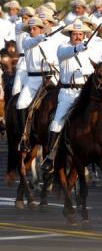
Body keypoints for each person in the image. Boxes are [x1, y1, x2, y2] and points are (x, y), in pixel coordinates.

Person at [40, 19, 102, 173]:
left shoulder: (91, 48)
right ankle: (51, 157)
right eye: (75, 34)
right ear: (70, 35)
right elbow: (67, 53)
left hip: (89, 92)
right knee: (57, 122)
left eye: (81, 34)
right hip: (69, 92)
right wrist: (80, 47)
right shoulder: (63, 48)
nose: (78, 36)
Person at [17, 17, 59, 152]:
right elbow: (32, 42)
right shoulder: (27, 40)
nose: (31, 30)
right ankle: (25, 137)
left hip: (52, 76)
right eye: (30, 28)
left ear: (41, 28)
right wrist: (41, 37)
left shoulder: (53, 41)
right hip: (33, 80)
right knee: (21, 104)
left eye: (34, 28)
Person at [12, 7, 35, 96]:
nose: (25, 20)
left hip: (35, 63)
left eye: (28, 17)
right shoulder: (18, 26)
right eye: (23, 18)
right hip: (23, 62)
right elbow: (26, 27)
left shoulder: (38, 28)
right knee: (16, 90)